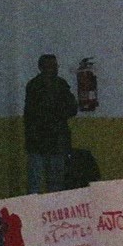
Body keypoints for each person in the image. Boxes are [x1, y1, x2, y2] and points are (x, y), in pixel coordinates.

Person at [23, 53, 78, 194]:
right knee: (37, 183)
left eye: (55, 66)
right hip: (39, 141)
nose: (54, 69)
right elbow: (34, 113)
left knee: (55, 184)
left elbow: (72, 108)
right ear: (41, 67)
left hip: (55, 141)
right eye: (50, 66)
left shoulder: (61, 85)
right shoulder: (35, 86)